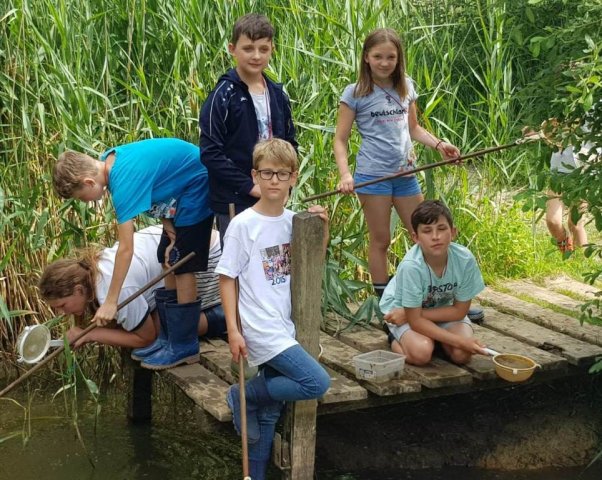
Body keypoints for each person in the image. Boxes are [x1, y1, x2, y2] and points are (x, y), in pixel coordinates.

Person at [216, 139, 330, 480]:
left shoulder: (295, 222)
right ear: (255, 176)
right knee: (316, 382)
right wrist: (234, 331)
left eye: (282, 174)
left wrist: (321, 230)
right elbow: (226, 278)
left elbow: (313, 264)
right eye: (267, 173)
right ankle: (243, 393)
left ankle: (258, 474)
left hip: (285, 324)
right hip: (261, 329)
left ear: (293, 177)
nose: (275, 181)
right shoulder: (244, 225)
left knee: (267, 415)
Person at [52, 138, 214, 368]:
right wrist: (169, 226)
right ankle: (168, 338)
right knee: (165, 258)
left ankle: (184, 344)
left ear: (88, 182)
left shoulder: (122, 181)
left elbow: (126, 249)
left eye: (81, 198)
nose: (85, 202)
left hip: (199, 184)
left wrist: (111, 302)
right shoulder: (107, 161)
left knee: (181, 265)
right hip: (180, 192)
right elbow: (160, 182)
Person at [333, 28, 461, 299]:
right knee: (381, 240)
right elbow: (340, 140)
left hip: (406, 175)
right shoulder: (354, 93)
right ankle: (386, 302)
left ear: (398, 58)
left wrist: (440, 145)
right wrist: (345, 174)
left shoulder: (406, 85)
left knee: (425, 234)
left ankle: (440, 295)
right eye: (378, 56)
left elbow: (413, 128)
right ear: (366, 57)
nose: (384, 62)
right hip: (373, 178)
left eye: (391, 57)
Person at [38, 226, 227, 359]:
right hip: (187, 247)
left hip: (208, 258)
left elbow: (145, 338)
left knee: (166, 330)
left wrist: (89, 335)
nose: (62, 312)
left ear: (78, 290)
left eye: (62, 305)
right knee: (151, 322)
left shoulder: (111, 290)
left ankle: (221, 316)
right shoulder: (95, 270)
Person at [200, 13, 297, 243]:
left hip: (274, 194)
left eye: (263, 49)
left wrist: (285, 185)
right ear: (232, 49)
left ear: (272, 48)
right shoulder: (223, 96)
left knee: (272, 261)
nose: (256, 56)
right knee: (238, 265)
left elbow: (290, 144)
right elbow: (210, 153)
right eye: (248, 48)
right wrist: (250, 186)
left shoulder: (277, 93)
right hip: (235, 201)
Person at [380, 200, 486, 366]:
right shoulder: (412, 267)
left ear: (453, 232)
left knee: (462, 355)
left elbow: (459, 311)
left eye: (442, 229)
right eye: (427, 231)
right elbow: (415, 321)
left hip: (425, 312)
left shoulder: (465, 260)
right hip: (399, 313)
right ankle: (394, 336)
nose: (435, 237)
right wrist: (459, 341)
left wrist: (408, 314)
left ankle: (435, 339)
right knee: (421, 354)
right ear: (415, 237)